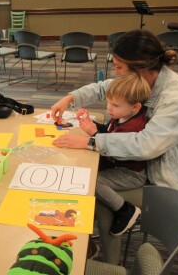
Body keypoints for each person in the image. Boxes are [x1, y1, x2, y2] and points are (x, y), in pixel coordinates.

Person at [50, 29, 178, 263]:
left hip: (162, 180)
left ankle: (105, 254)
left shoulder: (176, 99)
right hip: (140, 164)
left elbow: (145, 145)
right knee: (84, 170)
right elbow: (105, 87)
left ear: (139, 68)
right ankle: (88, 240)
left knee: (88, 183)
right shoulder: (144, 79)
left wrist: (92, 141)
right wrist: (70, 98)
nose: (115, 72)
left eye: (119, 67)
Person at [76, 72, 151, 236]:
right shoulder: (123, 115)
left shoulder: (133, 126)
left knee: (93, 182)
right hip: (117, 164)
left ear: (135, 107)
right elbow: (109, 132)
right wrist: (92, 124)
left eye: (115, 105)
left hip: (131, 173)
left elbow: (114, 149)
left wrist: (94, 134)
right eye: (108, 102)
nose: (109, 108)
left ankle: (126, 210)